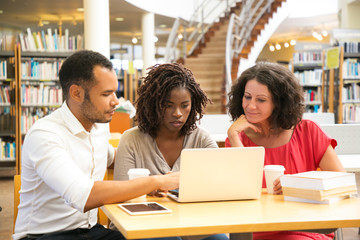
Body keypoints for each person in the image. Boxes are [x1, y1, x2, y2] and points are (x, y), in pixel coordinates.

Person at [13, 50, 179, 240]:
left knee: (166, 238)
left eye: (114, 92)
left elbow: (115, 157)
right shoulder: (44, 135)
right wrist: (155, 182)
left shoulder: (98, 129)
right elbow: (84, 195)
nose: (116, 101)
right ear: (77, 93)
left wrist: (168, 168)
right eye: (106, 94)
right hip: (45, 235)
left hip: (91, 231)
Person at [225, 62, 345, 240]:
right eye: (247, 97)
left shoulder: (308, 131)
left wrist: (297, 184)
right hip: (255, 229)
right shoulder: (238, 140)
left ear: (279, 102)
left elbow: (341, 183)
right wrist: (233, 135)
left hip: (302, 227)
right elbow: (240, 190)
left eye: (261, 100)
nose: (250, 106)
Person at [114, 63, 228, 240]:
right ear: (153, 104)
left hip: (191, 223)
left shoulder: (201, 139)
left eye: (184, 105)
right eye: (168, 105)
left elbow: (220, 185)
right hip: (144, 224)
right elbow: (120, 193)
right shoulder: (131, 140)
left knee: (219, 238)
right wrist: (148, 188)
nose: (177, 113)